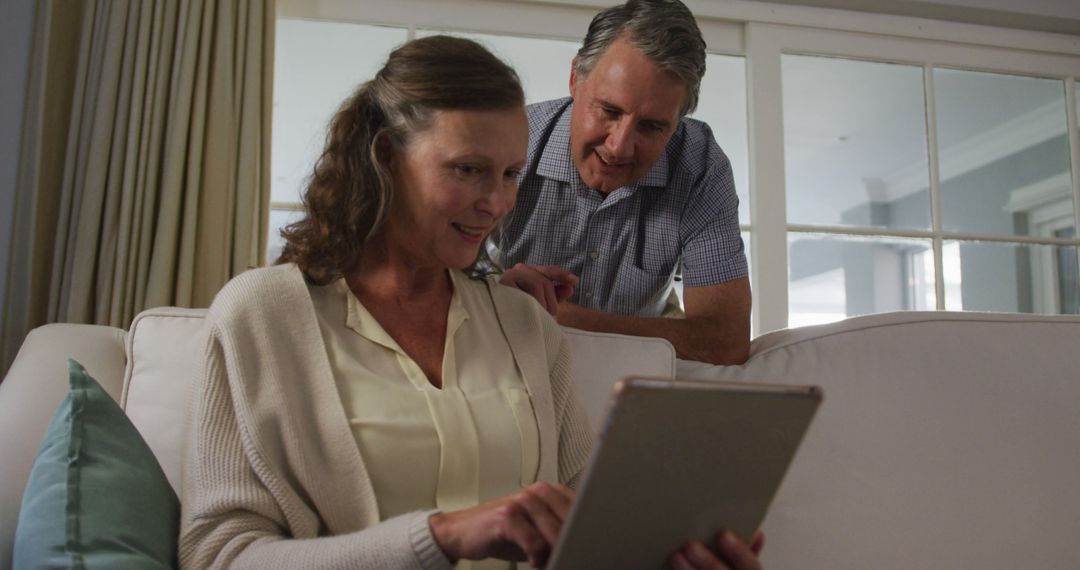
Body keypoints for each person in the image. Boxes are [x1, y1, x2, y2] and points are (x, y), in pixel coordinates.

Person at [179, 36, 763, 569]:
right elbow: (217, 556)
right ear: (384, 158)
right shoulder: (261, 314)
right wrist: (441, 536)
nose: (497, 203)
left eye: (511, 173)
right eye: (468, 170)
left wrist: (672, 557)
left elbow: (591, 532)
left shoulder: (522, 324)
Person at [494, 0, 751, 366]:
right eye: (609, 111)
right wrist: (492, 295)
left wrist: (554, 318)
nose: (618, 147)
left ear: (678, 121)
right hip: (513, 355)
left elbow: (725, 342)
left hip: (638, 360)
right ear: (574, 79)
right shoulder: (507, 141)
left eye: (651, 126)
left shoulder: (700, 164)